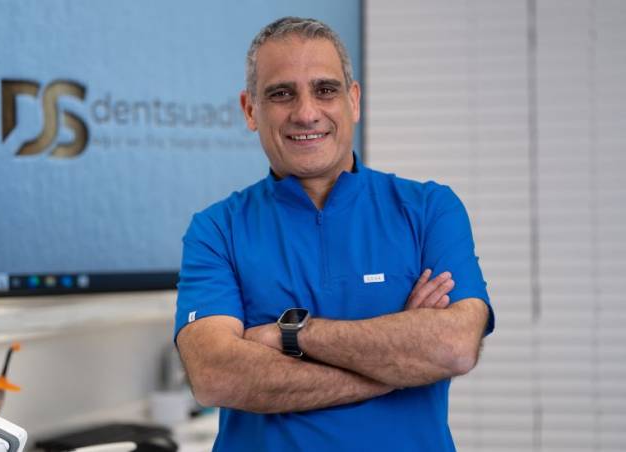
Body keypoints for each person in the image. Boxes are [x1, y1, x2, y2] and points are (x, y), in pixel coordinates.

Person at [174, 16, 494, 452]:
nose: (306, 113)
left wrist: (290, 334)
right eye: (281, 93)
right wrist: (394, 369)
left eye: (325, 90)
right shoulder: (217, 230)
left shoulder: (428, 209)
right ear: (250, 110)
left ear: (353, 100)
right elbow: (216, 375)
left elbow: (453, 347)